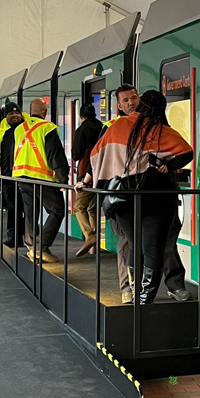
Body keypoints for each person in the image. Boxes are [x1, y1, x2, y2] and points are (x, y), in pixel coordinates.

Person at [90, 90, 194, 304]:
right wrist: (168, 165)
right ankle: (147, 296)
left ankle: (134, 291)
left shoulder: (116, 126)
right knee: (154, 247)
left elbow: (97, 156)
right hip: (158, 197)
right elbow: (187, 152)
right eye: (126, 99)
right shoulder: (161, 130)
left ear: (141, 104)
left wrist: (90, 181)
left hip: (124, 198)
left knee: (135, 246)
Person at [76, 84, 139, 303]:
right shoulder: (111, 127)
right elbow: (97, 158)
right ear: (118, 105)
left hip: (147, 193)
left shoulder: (152, 123)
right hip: (120, 194)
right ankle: (127, 289)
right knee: (125, 242)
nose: (131, 102)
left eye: (134, 97)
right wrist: (85, 181)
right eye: (126, 100)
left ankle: (167, 285)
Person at [13, 98, 69, 264]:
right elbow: (55, 155)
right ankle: (41, 246)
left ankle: (31, 246)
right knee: (57, 210)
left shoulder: (19, 128)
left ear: (30, 111)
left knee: (30, 213)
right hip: (42, 178)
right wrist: (62, 179)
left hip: (22, 176)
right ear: (45, 112)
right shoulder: (47, 128)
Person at [71, 102, 101, 257]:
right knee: (92, 208)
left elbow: (76, 154)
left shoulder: (81, 130)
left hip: (86, 172)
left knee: (79, 207)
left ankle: (90, 236)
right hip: (102, 173)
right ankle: (93, 247)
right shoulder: (102, 127)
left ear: (81, 116)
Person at [0, 102, 28, 248]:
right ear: (6, 117)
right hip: (7, 178)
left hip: (24, 176)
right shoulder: (2, 133)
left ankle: (28, 236)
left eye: (17, 113)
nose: (14, 116)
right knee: (12, 209)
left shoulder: (27, 131)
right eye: (10, 114)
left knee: (27, 209)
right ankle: (13, 237)